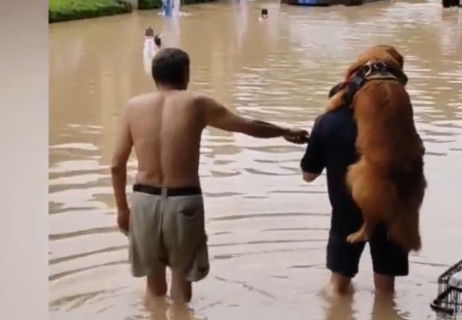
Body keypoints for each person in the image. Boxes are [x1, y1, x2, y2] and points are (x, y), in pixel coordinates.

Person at [111, 47, 308, 303]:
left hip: (144, 202)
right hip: (184, 203)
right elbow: (248, 126)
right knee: (182, 282)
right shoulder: (197, 104)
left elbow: (117, 165)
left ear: (154, 74)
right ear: (185, 73)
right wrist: (284, 130)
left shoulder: (133, 107)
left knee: (154, 284)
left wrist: (122, 210)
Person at [300, 84, 410, 297]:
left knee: (337, 283)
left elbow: (308, 175)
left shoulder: (326, 122)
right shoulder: (394, 121)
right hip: (390, 207)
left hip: (347, 210)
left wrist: (320, 145)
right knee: (386, 288)